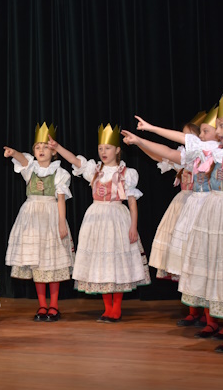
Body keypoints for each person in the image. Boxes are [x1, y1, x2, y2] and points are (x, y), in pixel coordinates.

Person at [137, 93, 223, 353]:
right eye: (218, 126)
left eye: (222, 125)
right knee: (220, 270)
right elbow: (184, 141)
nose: (218, 131)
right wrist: (151, 129)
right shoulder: (214, 153)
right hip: (215, 214)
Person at [125, 107, 223, 336]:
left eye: (204, 132)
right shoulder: (196, 155)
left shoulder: (218, 152)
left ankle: (218, 319)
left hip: (212, 209)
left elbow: (177, 145)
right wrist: (141, 140)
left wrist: (151, 129)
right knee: (197, 265)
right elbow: (168, 153)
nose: (197, 138)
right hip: (196, 209)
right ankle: (207, 317)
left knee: (211, 265)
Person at [48, 124, 150, 322]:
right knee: (101, 262)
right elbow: (74, 160)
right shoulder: (94, 170)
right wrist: (57, 147)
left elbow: (132, 202)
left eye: (108, 148)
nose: (103, 152)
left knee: (116, 261)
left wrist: (133, 226)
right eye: (101, 148)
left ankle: (116, 308)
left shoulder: (126, 173)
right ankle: (107, 308)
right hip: (96, 218)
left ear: (117, 150)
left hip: (117, 218)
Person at [3, 123, 74, 322]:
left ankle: (54, 305)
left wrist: (61, 223)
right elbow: (22, 159)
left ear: (53, 151)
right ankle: (42, 305)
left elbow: (61, 199)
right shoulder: (31, 169)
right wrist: (13, 152)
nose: (41, 150)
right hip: (32, 217)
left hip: (51, 215)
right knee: (37, 262)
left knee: (52, 262)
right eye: (37, 147)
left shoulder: (60, 173)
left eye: (45, 147)